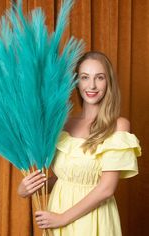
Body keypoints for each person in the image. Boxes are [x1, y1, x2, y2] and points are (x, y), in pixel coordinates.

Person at [17, 51, 141, 235]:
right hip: (56, 215)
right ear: (77, 82)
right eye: (85, 77)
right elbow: (64, 179)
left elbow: (107, 188)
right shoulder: (64, 125)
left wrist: (63, 218)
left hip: (92, 220)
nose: (91, 85)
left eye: (100, 78)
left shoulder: (118, 126)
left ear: (109, 83)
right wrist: (26, 189)